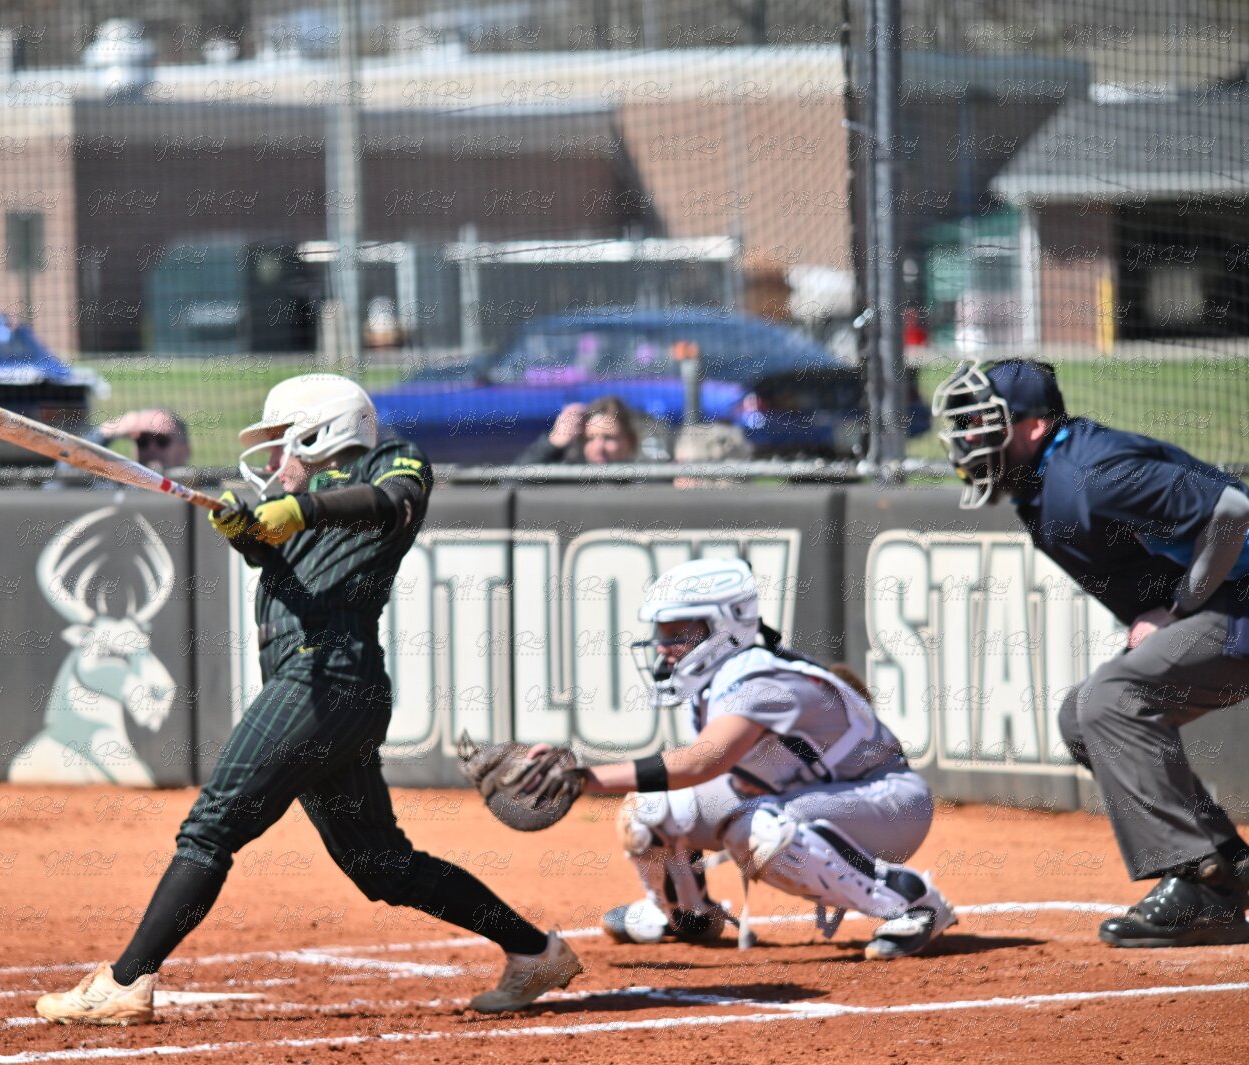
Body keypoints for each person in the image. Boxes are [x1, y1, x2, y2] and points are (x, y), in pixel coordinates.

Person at [36, 373, 581, 1024]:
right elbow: (283, 566)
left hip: (325, 676)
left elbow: (393, 500)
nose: (273, 460)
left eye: (282, 443)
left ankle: (127, 981)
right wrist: (247, 531)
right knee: (381, 864)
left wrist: (301, 510)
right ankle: (535, 951)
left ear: (322, 435)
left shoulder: (389, 461)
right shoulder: (293, 500)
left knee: (212, 825)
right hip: (324, 690)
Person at [932, 358, 1249, 948]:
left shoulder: (1092, 474)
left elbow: (1231, 509)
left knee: (1113, 698)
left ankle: (1191, 880)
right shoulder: (1043, 484)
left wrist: (1180, 607)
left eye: (982, 424)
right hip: (1228, 607)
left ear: (1033, 426)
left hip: (1238, 602)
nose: (968, 441)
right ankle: (1224, 868)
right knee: (1082, 716)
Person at [533, 556, 955, 959]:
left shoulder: (759, 678)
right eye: (662, 631)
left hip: (890, 804)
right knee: (650, 806)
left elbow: (700, 763)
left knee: (760, 829)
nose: (663, 647)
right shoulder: (717, 679)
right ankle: (686, 915)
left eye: (678, 631)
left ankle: (913, 903)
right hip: (813, 796)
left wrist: (581, 777)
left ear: (725, 625)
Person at [515, 396, 640, 464]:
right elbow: (514, 483)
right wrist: (553, 444)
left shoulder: (643, 482)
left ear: (631, 441)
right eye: (590, 439)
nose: (598, 447)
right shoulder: (571, 481)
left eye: (608, 438)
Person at [99, 408, 192, 472]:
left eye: (162, 441)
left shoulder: (198, 489)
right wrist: (112, 429)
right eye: (142, 441)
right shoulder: (120, 489)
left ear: (185, 451)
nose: (151, 449)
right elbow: (88, 456)